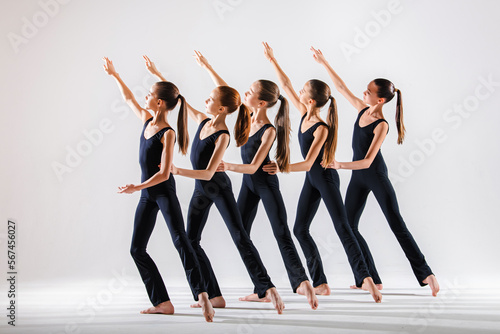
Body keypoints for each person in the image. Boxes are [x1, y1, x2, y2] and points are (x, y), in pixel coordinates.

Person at [147, 57, 285, 314]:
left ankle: (269, 288)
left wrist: (176, 170)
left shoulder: (222, 135)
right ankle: (215, 295)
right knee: (191, 240)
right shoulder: (202, 121)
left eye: (211, 99)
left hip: (217, 187)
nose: (206, 101)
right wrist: (158, 74)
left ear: (222, 110)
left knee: (239, 236)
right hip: (202, 190)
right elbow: (182, 102)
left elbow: (209, 172)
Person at [191, 51, 318, 309]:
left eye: (250, 91)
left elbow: (252, 168)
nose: (245, 93)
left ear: (262, 103)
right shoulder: (246, 118)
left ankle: (303, 282)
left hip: (263, 182)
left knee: (281, 232)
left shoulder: (269, 130)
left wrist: (227, 165)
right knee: (242, 236)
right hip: (248, 187)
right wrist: (207, 66)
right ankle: (262, 289)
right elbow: (223, 93)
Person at [310, 47, 439, 296]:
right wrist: (324, 62)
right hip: (358, 178)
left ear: (380, 100)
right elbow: (341, 87)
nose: (363, 93)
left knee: (396, 223)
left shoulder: (382, 125)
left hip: (375, 175)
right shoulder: (361, 109)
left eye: (368, 92)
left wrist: (339, 165)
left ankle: (426, 273)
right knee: (348, 225)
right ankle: (371, 278)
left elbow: (368, 161)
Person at [262, 43, 382, 303]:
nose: (299, 92)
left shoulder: (320, 127)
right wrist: (272, 59)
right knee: (300, 228)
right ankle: (321, 283)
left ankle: (367, 280)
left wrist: (280, 167)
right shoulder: (305, 113)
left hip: (325, 179)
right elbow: (285, 84)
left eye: (304, 90)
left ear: (312, 100)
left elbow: (307, 164)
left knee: (343, 227)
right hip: (312, 180)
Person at [103, 56, 214, 321]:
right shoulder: (146, 120)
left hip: (162, 193)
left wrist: (137, 186)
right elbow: (129, 98)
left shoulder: (167, 132)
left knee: (181, 242)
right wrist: (115, 75)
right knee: (136, 249)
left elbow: (164, 174)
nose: (145, 97)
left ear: (160, 102)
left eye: (150, 94)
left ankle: (203, 297)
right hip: (146, 195)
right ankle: (162, 302)